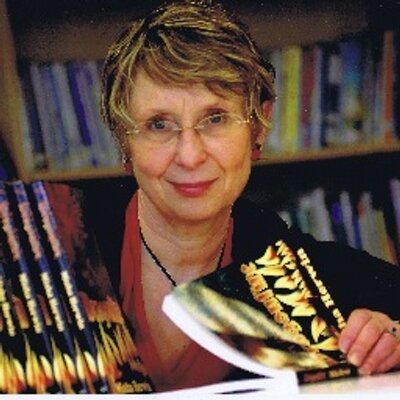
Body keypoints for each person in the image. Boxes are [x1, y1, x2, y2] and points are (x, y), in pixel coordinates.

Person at [99, 0, 400, 392]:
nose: (189, 155)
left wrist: (392, 335)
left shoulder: (296, 264)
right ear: (124, 139)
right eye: (159, 124)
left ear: (258, 127)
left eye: (215, 118)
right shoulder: (59, 251)